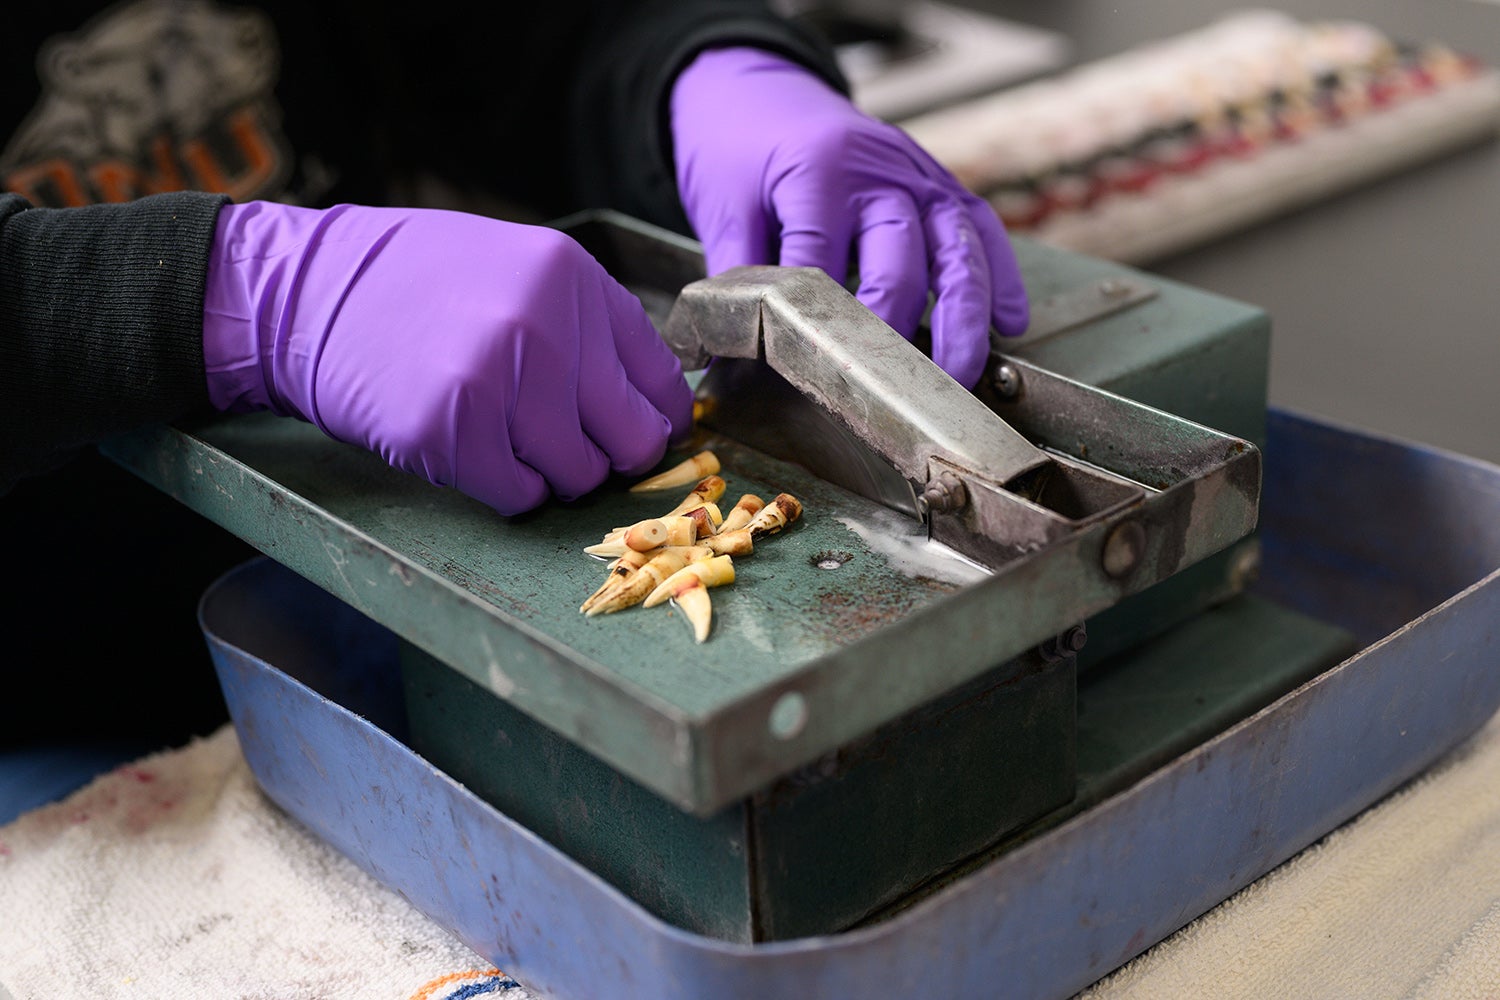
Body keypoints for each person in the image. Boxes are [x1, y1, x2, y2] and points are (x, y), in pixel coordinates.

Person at [0, 1, 1028, 817]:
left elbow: (533, 35)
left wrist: (701, 66)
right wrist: (232, 291)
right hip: (55, 701)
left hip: (420, 584)